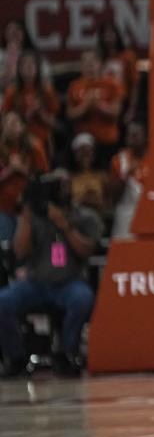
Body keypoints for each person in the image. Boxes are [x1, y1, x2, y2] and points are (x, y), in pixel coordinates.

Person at [0, 172, 102, 377]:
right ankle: (16, 357)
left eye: (64, 185)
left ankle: (66, 352)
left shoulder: (83, 216)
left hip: (69, 282)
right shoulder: (35, 217)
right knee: (3, 301)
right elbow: (20, 251)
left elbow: (87, 250)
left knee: (83, 299)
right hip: (35, 283)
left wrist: (64, 224)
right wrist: (27, 216)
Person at [66, 50, 123, 162]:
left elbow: (116, 112)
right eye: (86, 62)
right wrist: (85, 105)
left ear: (100, 64)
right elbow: (70, 115)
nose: (90, 66)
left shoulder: (112, 85)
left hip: (107, 140)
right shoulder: (74, 86)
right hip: (82, 142)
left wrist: (99, 105)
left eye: (93, 62)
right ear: (81, 65)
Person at [0, 112, 48, 241]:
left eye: (15, 123)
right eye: (8, 123)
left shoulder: (34, 147)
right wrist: (10, 170)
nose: (11, 127)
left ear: (22, 127)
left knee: (28, 250)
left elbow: (43, 179)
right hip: (3, 208)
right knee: (5, 249)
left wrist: (23, 170)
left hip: (29, 209)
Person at [1, 51, 59, 157]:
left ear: (38, 68)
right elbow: (4, 121)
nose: (28, 67)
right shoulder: (11, 92)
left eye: (32, 64)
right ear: (19, 69)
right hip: (17, 139)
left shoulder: (47, 90)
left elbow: (54, 123)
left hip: (41, 137)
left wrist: (40, 114)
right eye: (25, 64)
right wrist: (23, 117)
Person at [97, 21, 140, 124]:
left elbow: (135, 84)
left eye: (111, 33)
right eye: (105, 34)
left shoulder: (128, 56)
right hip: (104, 102)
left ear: (117, 35)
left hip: (123, 101)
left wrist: (132, 109)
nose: (108, 37)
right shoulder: (100, 58)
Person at [109, 122, 147, 240]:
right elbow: (113, 196)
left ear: (145, 137)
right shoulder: (119, 160)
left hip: (149, 211)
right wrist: (126, 176)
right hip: (127, 213)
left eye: (136, 135)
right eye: (129, 135)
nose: (132, 139)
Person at [68, 133, 109, 214]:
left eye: (88, 152)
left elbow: (106, 201)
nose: (85, 156)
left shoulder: (102, 176)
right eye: (81, 152)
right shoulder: (69, 177)